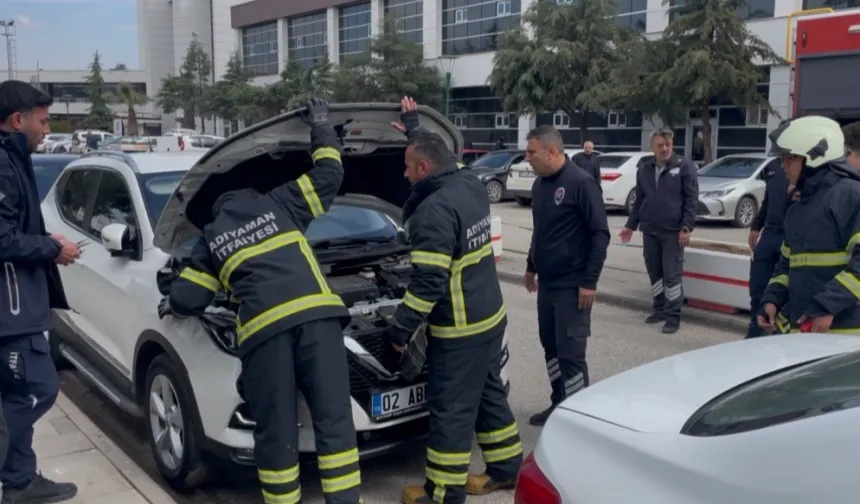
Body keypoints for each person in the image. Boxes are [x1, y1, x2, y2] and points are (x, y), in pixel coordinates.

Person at [159, 99, 362, 504]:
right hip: (319, 323)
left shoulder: (211, 238)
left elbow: (189, 297)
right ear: (250, 194)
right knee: (335, 422)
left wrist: (171, 302)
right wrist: (321, 126)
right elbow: (330, 172)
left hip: (266, 336)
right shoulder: (281, 202)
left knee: (276, 431)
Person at [386, 97, 522, 504]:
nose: (404, 173)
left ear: (423, 169)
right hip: (490, 316)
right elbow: (441, 155)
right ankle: (506, 468)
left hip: (460, 329)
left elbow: (428, 284)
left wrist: (400, 329)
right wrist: (414, 128)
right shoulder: (469, 182)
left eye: (408, 166)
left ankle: (444, 492)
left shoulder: (433, 211)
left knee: (451, 409)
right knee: (489, 393)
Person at [0, 80, 81, 503]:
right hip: (12, 311)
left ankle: (19, 482)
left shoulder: (13, 159)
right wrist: (51, 248)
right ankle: (16, 479)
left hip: (17, 305)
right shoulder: (2, 163)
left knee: (18, 394)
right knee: (37, 389)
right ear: (18, 120)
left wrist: (46, 241)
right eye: (44, 121)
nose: (47, 129)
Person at [521, 125, 610, 427]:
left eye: (531, 152)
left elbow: (600, 235)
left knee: (571, 355)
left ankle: (578, 420)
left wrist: (589, 281)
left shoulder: (581, 183)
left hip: (573, 287)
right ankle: (558, 403)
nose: (527, 158)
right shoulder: (540, 185)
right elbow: (540, 231)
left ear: (551, 151)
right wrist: (531, 265)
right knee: (552, 348)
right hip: (548, 284)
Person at [757, 116, 860, 335]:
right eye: (782, 158)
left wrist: (827, 305)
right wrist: (772, 299)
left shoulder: (851, 196)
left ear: (815, 156)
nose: (783, 165)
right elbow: (786, 264)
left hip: (845, 336)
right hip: (805, 335)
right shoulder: (797, 207)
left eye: (791, 157)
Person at [619, 129, 698, 334]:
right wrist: (630, 225)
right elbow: (639, 201)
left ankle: (673, 316)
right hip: (650, 231)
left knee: (672, 276)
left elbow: (691, 200)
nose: (665, 148)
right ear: (652, 148)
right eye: (660, 145)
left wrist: (686, 227)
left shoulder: (684, 166)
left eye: (668, 144)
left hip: (673, 232)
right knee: (655, 274)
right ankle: (660, 309)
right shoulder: (644, 169)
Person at [745, 160, 790, 338]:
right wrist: (756, 226)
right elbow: (767, 201)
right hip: (770, 234)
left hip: (790, 235)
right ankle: (755, 332)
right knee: (757, 286)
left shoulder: (802, 165)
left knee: (784, 289)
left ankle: (777, 335)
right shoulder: (773, 166)